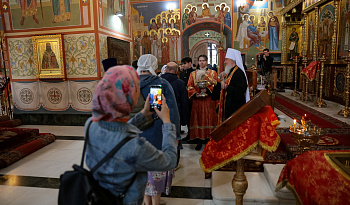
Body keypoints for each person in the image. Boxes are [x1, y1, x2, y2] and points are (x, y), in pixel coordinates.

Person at [85, 65, 177, 205]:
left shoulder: (91, 124)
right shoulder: (136, 146)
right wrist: (167, 122)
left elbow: (118, 134)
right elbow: (169, 161)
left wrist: (144, 114)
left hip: (98, 195)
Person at [137, 54, 181, 205]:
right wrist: (175, 135)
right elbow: (166, 112)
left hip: (135, 136)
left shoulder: (129, 84)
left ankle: (145, 201)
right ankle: (155, 203)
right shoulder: (157, 85)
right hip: (156, 135)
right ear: (154, 67)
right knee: (155, 173)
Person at [187, 55, 218, 150]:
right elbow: (189, 86)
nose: (201, 62)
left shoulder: (213, 73)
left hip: (209, 101)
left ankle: (209, 140)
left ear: (207, 61)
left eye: (203, 60)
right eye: (200, 60)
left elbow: (216, 85)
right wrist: (195, 93)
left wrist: (207, 90)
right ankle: (199, 140)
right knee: (198, 119)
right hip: (198, 101)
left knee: (209, 118)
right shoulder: (193, 74)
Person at [161, 61, 189, 166]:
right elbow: (184, 102)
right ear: (176, 71)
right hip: (175, 114)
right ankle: (175, 163)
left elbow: (154, 103)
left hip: (161, 114)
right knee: (175, 137)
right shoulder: (180, 83)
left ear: (166, 69)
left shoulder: (158, 82)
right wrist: (185, 118)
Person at [212, 48, 250, 124]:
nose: (225, 62)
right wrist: (216, 84)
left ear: (232, 61)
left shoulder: (239, 73)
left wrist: (226, 87)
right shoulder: (229, 71)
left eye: (226, 60)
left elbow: (240, 90)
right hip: (228, 104)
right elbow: (225, 85)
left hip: (234, 106)